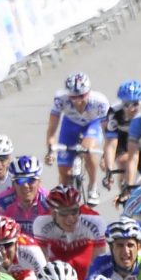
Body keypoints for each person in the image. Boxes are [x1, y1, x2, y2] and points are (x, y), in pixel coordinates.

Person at [44, 72, 110, 203]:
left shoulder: (100, 102)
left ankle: (92, 185)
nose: (78, 100)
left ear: (89, 92)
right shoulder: (60, 99)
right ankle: (63, 200)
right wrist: (50, 151)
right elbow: (51, 129)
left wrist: (106, 157)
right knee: (64, 172)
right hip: (70, 125)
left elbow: (108, 133)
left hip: (93, 124)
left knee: (88, 148)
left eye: (82, 96)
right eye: (73, 97)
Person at [31, 185, 107, 280]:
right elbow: (41, 264)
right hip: (59, 261)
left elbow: (99, 264)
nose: (70, 218)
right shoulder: (41, 223)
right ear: (53, 213)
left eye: (74, 211)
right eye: (64, 213)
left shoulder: (95, 221)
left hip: (83, 261)